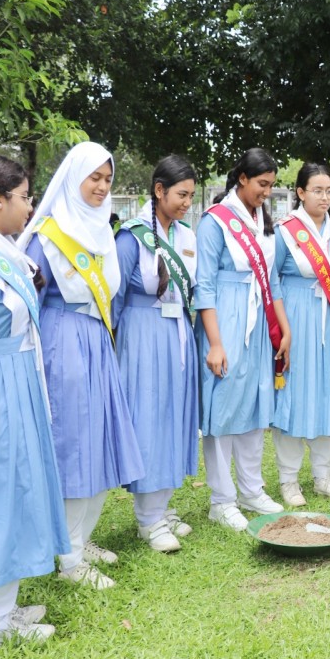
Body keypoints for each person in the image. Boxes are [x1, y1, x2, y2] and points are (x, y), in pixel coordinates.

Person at [19, 142, 145, 589]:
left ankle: (81, 538)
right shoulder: (47, 236)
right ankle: (69, 557)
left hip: (97, 341)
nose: (101, 186)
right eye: (94, 177)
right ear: (73, 178)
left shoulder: (102, 231)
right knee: (74, 444)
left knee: (101, 438)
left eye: (107, 179)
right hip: (63, 345)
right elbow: (28, 303)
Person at [0, 154, 68, 649]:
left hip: (17, 378)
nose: (29, 205)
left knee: (14, 489)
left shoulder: (3, 248)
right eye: (23, 197)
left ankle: (0, 608)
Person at [196, 148, 289, 531]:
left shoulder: (260, 222)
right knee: (224, 408)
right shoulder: (215, 222)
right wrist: (215, 344)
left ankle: (251, 489)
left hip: (259, 325)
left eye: (271, 185)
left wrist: (286, 329)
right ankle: (222, 499)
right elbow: (203, 285)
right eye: (262, 184)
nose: (267, 191)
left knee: (254, 406)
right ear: (243, 180)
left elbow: (273, 280)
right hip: (226, 320)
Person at [113, 155, 199, 552]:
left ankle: (162, 506)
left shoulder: (184, 235)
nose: (186, 202)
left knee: (172, 415)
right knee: (148, 416)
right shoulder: (131, 237)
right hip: (143, 335)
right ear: (159, 190)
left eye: (191, 196)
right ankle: (148, 519)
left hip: (178, 331)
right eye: (181, 194)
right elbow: (111, 298)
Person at [272, 163, 330, 505]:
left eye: (329, 190)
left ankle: (323, 475)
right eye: (317, 190)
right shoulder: (286, 231)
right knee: (293, 398)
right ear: (301, 192)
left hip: (328, 322)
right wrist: (281, 329)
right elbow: (272, 279)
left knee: (326, 397)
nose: (324, 196)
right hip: (296, 319)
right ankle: (288, 480)